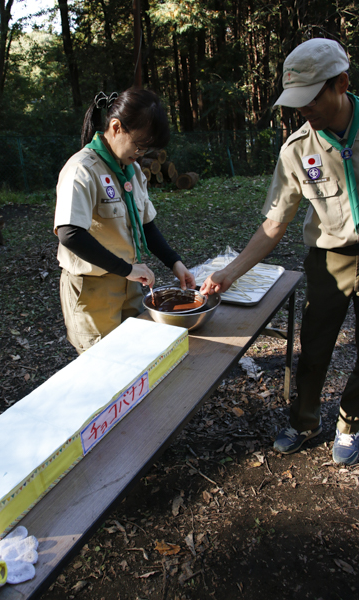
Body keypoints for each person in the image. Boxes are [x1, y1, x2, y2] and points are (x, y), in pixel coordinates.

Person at [201, 38, 359, 465]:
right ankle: (306, 423)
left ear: (341, 83)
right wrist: (229, 272)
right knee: (315, 347)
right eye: (295, 102)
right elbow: (274, 224)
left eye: (310, 99)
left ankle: (350, 422)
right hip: (330, 260)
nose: (302, 110)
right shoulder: (296, 151)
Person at [54, 88, 195, 353]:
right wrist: (127, 270)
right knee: (103, 366)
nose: (141, 154)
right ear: (116, 127)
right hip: (93, 291)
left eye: (147, 148)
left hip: (129, 282)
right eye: (139, 145)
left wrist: (174, 262)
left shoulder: (132, 169)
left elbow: (146, 226)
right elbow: (69, 233)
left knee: (134, 357)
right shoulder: (82, 169)